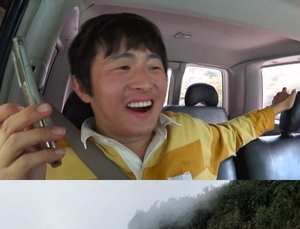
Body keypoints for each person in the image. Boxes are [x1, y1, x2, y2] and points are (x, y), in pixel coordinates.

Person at [0, 13, 297, 180]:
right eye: (122, 66)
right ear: (82, 88)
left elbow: (237, 130)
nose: (144, 81)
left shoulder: (196, 132)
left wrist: (277, 108)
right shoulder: (45, 159)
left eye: (154, 66)